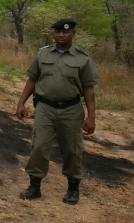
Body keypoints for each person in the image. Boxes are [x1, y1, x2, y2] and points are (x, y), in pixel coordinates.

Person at [15, 19, 99, 205]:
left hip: (71, 109)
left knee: (72, 150)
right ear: (53, 34)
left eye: (65, 32)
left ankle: (73, 188)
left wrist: (91, 116)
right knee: (39, 146)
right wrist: (21, 103)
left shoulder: (82, 58)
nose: (61, 35)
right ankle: (34, 186)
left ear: (73, 34)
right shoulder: (42, 54)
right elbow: (32, 80)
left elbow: (88, 89)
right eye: (58, 32)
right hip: (45, 107)